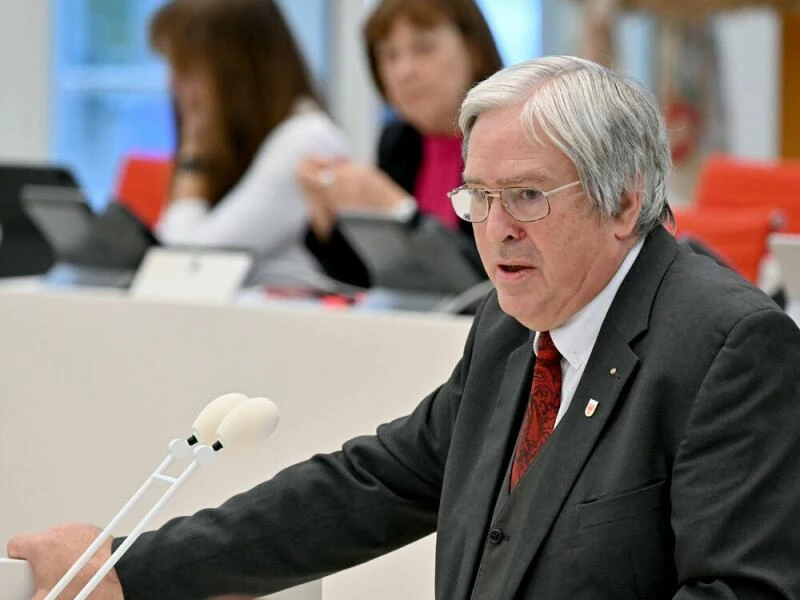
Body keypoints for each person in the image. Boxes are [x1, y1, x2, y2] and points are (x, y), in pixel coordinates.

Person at [10, 56, 800, 599]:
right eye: (476, 197)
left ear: (625, 200)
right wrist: (124, 565)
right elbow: (374, 484)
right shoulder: (508, 326)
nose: (494, 231)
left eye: (526, 196)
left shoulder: (731, 349)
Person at [298, 0, 502, 288]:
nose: (404, 71)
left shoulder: (508, 141)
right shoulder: (399, 141)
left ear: (474, 49)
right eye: (389, 55)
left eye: (424, 48)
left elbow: (481, 285)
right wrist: (327, 217)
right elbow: (367, 281)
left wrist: (398, 211)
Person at [150, 0, 348, 285]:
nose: (173, 84)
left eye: (187, 69)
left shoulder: (306, 142)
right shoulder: (237, 140)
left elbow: (186, 268)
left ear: (235, 72)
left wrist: (193, 162)